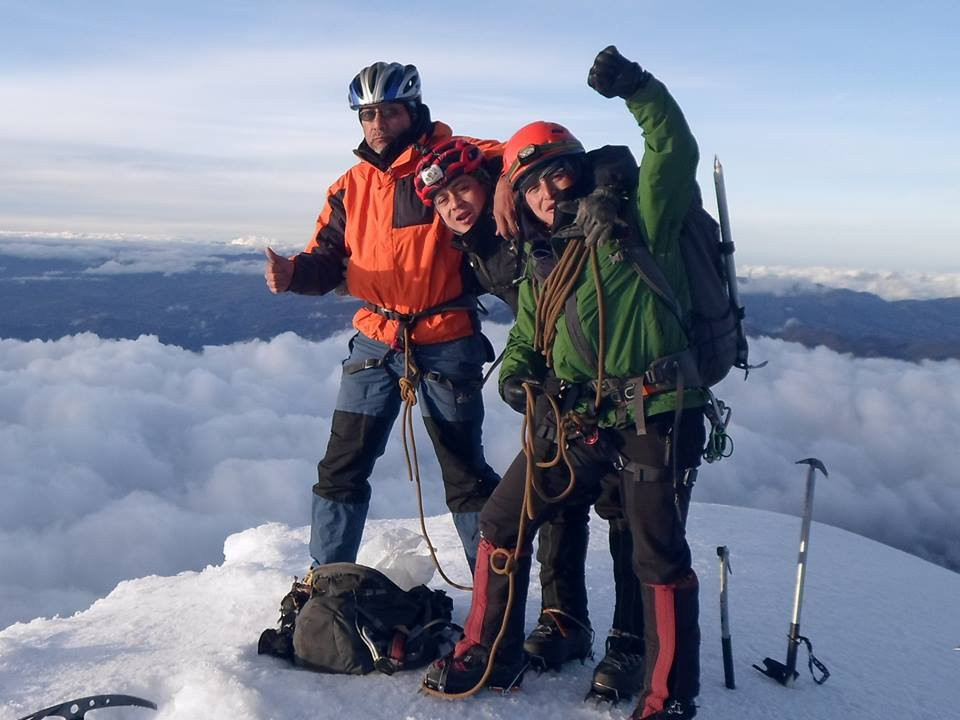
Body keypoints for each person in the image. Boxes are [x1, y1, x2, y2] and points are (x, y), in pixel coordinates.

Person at [422, 46, 707, 720]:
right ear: (519, 198)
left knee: (655, 553)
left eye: (558, 175)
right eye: (532, 185)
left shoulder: (640, 220)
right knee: (503, 519)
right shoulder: (543, 260)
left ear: (578, 173)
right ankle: (488, 652)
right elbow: (528, 336)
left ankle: (668, 697)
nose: (549, 191)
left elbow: (673, 146)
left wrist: (638, 88)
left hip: (655, 413)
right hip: (581, 421)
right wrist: (516, 379)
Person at [414, 140, 649, 699]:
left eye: (463, 190)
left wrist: (505, 180)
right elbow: (531, 318)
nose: (454, 205)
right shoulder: (478, 243)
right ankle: (565, 621)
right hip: (559, 385)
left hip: (625, 388)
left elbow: (597, 157)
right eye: (441, 200)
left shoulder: (532, 211)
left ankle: (629, 643)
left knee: (624, 519)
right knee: (556, 506)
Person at [263, 61, 502, 573]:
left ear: (412, 112)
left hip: (446, 335)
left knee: (464, 472)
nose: (377, 124)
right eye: (368, 114)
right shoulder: (349, 187)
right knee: (342, 468)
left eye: (389, 113)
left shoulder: (452, 158)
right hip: (376, 337)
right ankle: (325, 587)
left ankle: (493, 599)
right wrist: (293, 274)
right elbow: (328, 260)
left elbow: (522, 155)